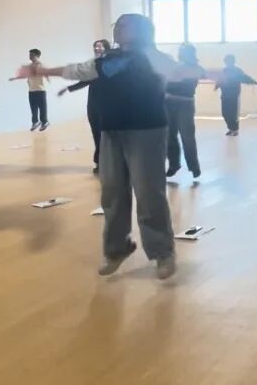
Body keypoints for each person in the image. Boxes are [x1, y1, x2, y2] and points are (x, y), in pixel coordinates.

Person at [23, 14, 221, 280]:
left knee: (148, 193)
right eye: (117, 24)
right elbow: (79, 70)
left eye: (124, 25)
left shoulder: (152, 56)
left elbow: (177, 72)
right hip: (111, 131)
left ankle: (162, 252)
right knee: (112, 193)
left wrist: (208, 73)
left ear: (140, 30)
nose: (118, 28)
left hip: (146, 130)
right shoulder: (109, 58)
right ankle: (117, 249)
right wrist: (43, 71)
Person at [58, 39, 111, 174]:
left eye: (99, 46)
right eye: (95, 46)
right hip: (93, 105)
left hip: (107, 105)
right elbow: (85, 81)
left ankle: (108, 163)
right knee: (97, 134)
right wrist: (68, 88)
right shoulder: (93, 65)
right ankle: (100, 162)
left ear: (106, 48)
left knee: (106, 136)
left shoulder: (110, 64)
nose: (96, 48)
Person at [165, 43, 203, 178]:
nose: (182, 54)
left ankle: (194, 166)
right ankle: (174, 164)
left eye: (185, 52)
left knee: (187, 136)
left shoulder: (196, 68)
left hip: (185, 104)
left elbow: (185, 84)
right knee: (169, 135)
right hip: (169, 103)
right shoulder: (175, 66)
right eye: (181, 51)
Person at [215, 54, 257, 136]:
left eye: (230, 61)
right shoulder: (223, 71)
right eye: (227, 61)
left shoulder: (238, 70)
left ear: (233, 61)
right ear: (225, 62)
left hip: (234, 95)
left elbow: (245, 78)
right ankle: (230, 128)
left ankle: (235, 129)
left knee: (233, 113)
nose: (228, 62)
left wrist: (254, 82)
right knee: (225, 113)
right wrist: (216, 86)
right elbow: (220, 80)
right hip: (225, 95)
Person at [10, 48, 49, 131]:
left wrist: (47, 76)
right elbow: (24, 75)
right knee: (33, 108)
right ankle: (35, 122)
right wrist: (15, 78)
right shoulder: (29, 66)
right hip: (31, 91)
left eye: (32, 55)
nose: (30, 56)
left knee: (42, 108)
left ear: (37, 56)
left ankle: (44, 122)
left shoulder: (40, 65)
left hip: (40, 90)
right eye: (29, 55)